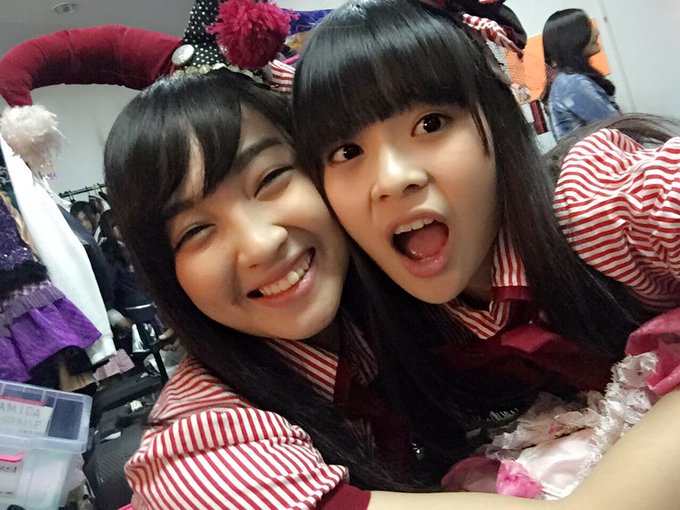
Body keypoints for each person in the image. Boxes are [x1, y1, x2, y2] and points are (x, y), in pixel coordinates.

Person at [102, 61, 680, 509]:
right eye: (195, 231)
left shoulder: (418, 288)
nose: (259, 244)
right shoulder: (205, 445)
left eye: (272, 178)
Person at [293, 0, 680, 501]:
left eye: (431, 123)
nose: (392, 179)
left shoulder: (589, 207)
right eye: (347, 152)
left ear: (496, 122)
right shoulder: (378, 321)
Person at [541, 8, 621, 140]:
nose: (596, 32)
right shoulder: (572, 84)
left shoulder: (566, 80)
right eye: (588, 27)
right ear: (572, 38)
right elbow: (619, 131)